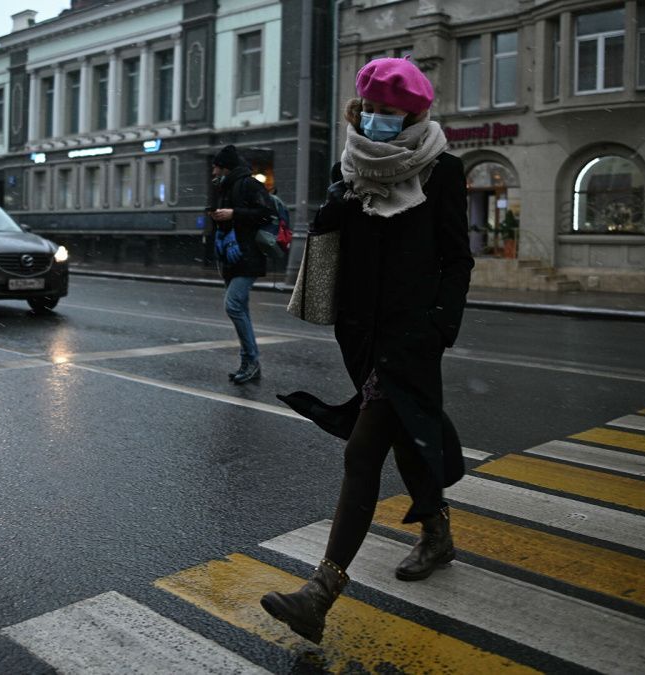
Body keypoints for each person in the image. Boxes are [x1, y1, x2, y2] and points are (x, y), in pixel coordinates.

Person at [261, 57, 474, 643]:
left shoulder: (442, 171)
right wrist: (334, 206)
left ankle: (320, 592)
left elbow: (458, 259)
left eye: (391, 111)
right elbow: (340, 250)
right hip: (363, 335)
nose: (380, 119)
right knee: (408, 435)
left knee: (362, 452)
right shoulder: (349, 168)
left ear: (415, 112)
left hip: (413, 335)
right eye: (372, 109)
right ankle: (437, 534)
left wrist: (440, 327)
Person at [209, 144, 275, 384]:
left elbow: (266, 213)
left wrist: (233, 213)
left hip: (248, 255)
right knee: (241, 308)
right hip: (232, 255)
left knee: (233, 305)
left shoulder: (248, 184)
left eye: (216, 167)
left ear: (226, 167)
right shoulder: (226, 186)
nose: (213, 172)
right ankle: (249, 363)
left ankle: (251, 360)